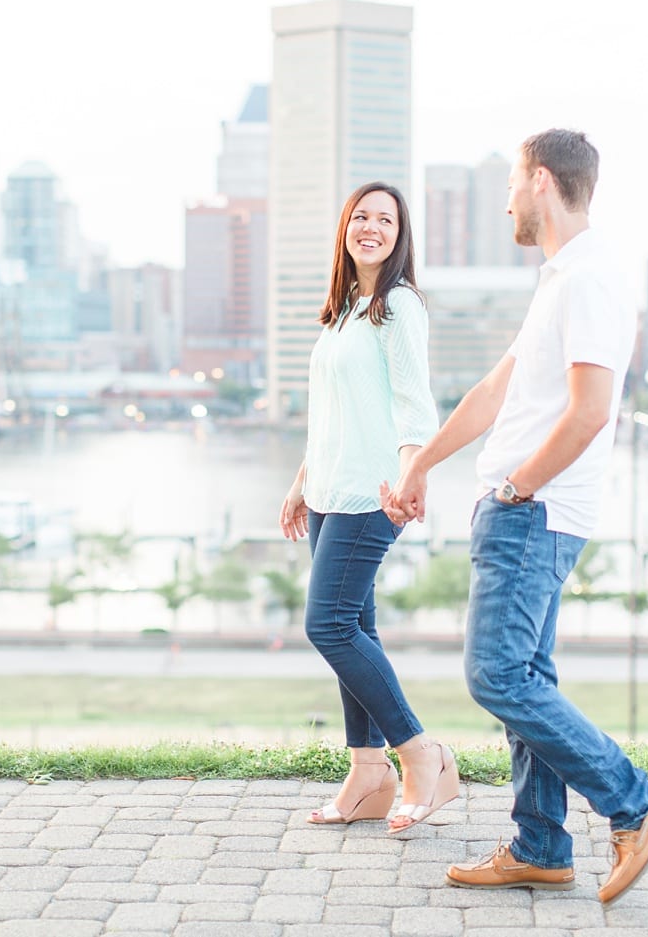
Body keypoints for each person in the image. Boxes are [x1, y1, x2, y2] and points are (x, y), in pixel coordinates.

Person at [383, 130, 648, 903]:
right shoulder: (563, 278)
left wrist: (517, 487)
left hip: (533, 511)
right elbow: (494, 391)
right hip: (527, 508)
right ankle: (541, 845)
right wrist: (421, 462)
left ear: (542, 180)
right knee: (529, 675)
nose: (507, 199)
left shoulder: (588, 281)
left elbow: (589, 412)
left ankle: (634, 800)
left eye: (514, 183)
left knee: (496, 674)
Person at [278, 181, 460, 835]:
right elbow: (332, 413)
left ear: (399, 234)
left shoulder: (398, 307)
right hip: (328, 492)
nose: (372, 227)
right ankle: (367, 771)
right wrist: (301, 481)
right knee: (357, 628)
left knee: (327, 624)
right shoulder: (344, 309)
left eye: (385, 219)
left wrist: (415, 475)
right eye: (361, 216)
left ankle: (421, 755)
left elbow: (415, 401)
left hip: (370, 494)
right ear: (345, 229)